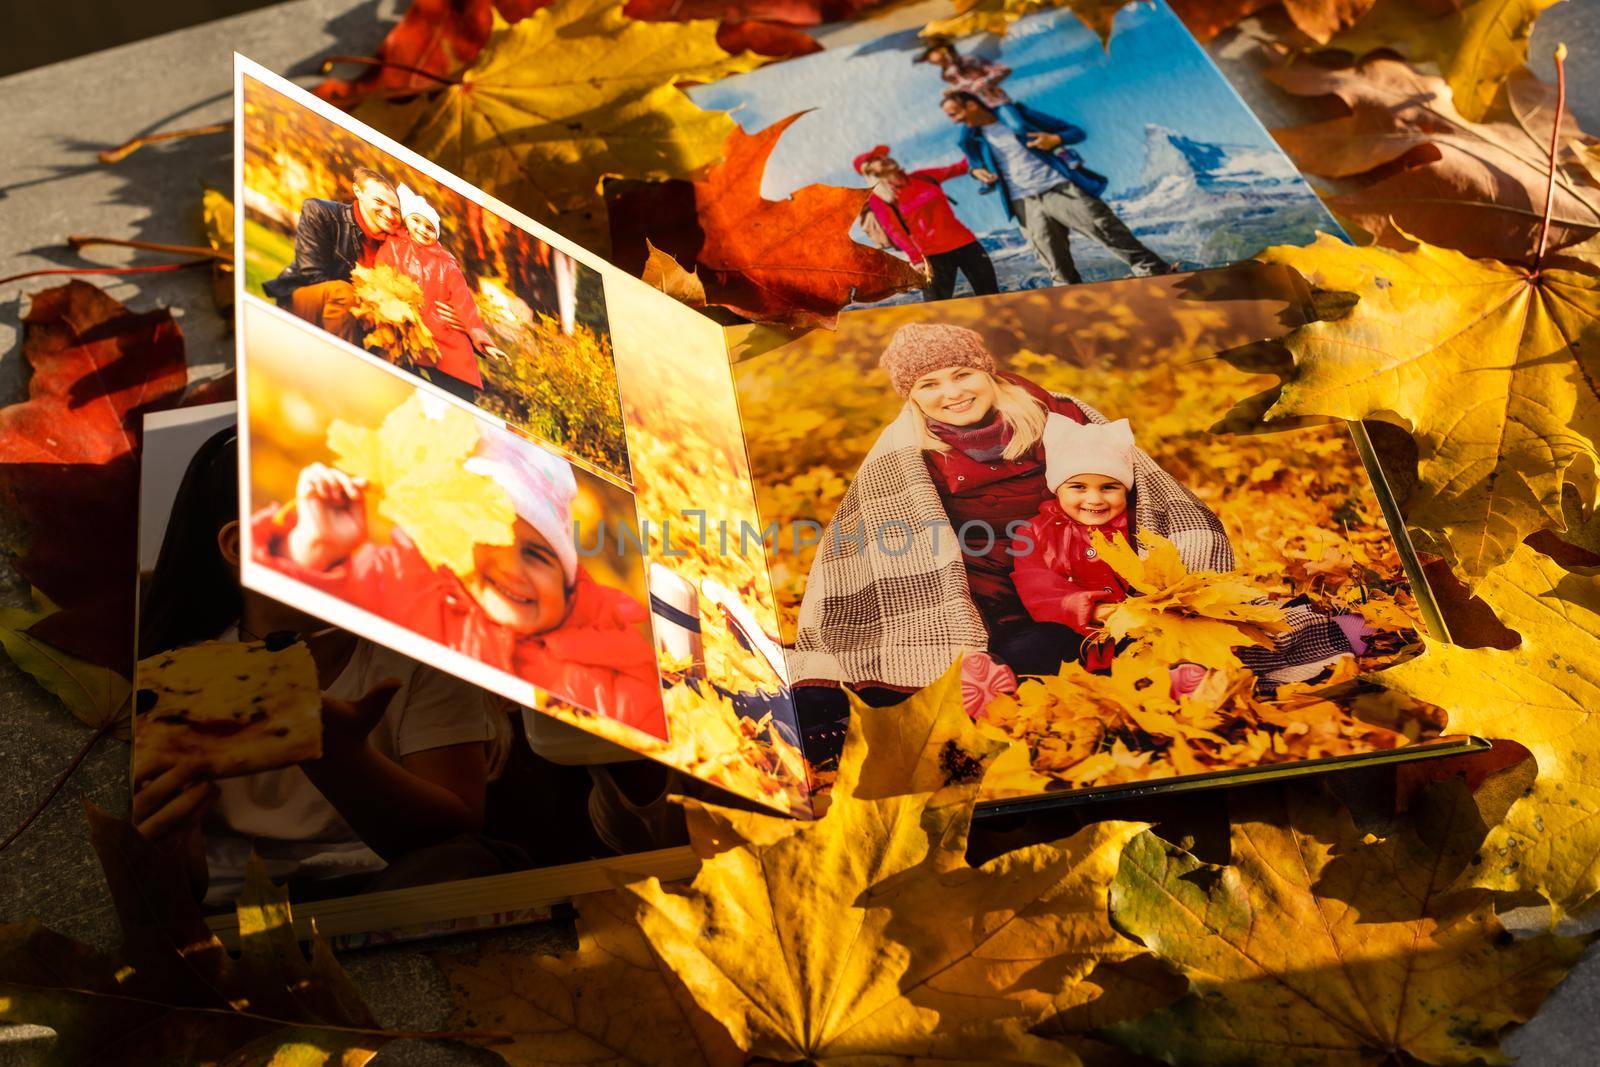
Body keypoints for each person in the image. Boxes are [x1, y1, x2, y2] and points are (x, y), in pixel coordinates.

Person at [132, 427, 516, 906]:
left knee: (467, 863)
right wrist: (166, 853)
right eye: (332, 511)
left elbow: (456, 830)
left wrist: (341, 755)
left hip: (392, 886)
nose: (364, 534)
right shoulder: (181, 675)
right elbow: (180, 865)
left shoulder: (422, 653)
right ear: (243, 548)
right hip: (237, 905)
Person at [788, 323, 1231, 734]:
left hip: (1081, 571)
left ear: (987, 371)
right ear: (913, 397)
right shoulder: (906, 449)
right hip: (985, 595)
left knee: (1119, 641)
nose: (952, 392)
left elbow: (1137, 488)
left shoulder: (1057, 415)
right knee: (1020, 651)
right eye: (930, 384)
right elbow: (880, 529)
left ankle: (1172, 682)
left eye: (962, 374)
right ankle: (981, 682)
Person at [252, 421, 668, 739]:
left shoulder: (611, 668)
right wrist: (316, 546)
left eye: (538, 554)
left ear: (569, 582)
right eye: (489, 538)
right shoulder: (409, 584)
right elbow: (302, 608)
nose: (513, 569)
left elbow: (651, 726)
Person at [940, 90, 1170, 285]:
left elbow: (1075, 132)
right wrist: (975, 171)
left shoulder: (1018, 117)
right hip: (1024, 204)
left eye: (954, 113)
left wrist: (1055, 140)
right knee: (1054, 265)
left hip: (1060, 188)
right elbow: (973, 163)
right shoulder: (973, 139)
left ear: (971, 104)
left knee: (1112, 235)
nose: (953, 121)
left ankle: (1159, 277)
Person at [1009, 415, 1139, 672]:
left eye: (1108, 487)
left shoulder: (1138, 526)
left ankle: (1179, 678)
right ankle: (997, 675)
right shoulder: (1034, 532)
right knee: (1028, 646)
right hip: (1071, 629)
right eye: (1078, 487)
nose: (1094, 498)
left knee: (1156, 645)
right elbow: (1037, 585)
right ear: (1058, 490)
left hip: (1133, 627)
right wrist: (1090, 608)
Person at [376, 184, 508, 403]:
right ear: (407, 220)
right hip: (407, 332)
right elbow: (381, 276)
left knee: (457, 395)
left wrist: (483, 340)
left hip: (444, 338)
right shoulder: (394, 247)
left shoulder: (446, 265)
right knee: (405, 382)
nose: (421, 229)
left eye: (429, 228)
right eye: (416, 221)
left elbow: (465, 305)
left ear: (436, 233)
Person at [262, 167, 404, 342]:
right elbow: (311, 275)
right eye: (379, 201)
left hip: (357, 317)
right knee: (343, 292)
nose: (388, 214)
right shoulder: (322, 212)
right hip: (303, 299)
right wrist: (365, 305)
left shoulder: (397, 248)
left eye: (395, 210)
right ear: (358, 192)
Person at [854, 145, 998, 302]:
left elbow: (959, 167)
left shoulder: (922, 177)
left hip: (967, 244)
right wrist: (916, 259)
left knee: (992, 297)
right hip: (932, 257)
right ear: (869, 171)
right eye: (877, 159)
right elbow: (895, 231)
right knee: (935, 308)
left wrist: (975, 142)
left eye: (884, 156)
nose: (885, 158)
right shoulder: (879, 198)